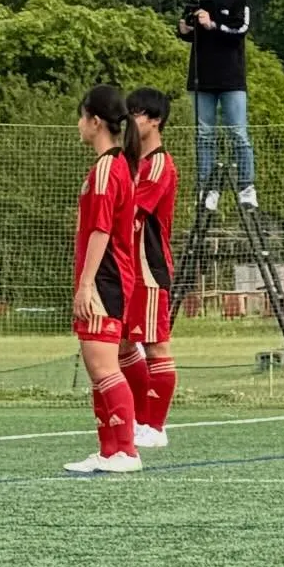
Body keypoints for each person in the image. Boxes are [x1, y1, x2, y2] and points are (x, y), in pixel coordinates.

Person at [65, 86, 141, 476]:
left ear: (95, 122)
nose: (78, 125)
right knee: (98, 367)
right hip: (109, 275)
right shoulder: (115, 166)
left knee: (105, 366)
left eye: (81, 117)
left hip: (106, 277)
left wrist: (86, 283)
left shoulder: (107, 168)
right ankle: (110, 450)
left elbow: (100, 229)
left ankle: (126, 450)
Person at [119, 87, 180, 453]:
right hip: (126, 267)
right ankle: (143, 418)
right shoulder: (129, 160)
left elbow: (131, 210)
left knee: (156, 345)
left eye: (136, 114)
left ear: (154, 120)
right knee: (125, 344)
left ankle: (156, 426)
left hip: (148, 267)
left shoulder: (158, 163)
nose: (130, 122)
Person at [177, 0, 257, 211]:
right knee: (204, 135)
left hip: (231, 78)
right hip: (202, 77)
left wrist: (213, 24)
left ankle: (247, 186)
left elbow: (240, 29)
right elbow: (187, 32)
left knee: (238, 132)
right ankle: (207, 187)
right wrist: (185, 28)